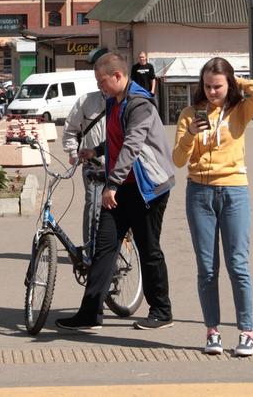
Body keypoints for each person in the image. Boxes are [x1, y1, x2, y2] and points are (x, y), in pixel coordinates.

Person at [57, 52, 176, 332]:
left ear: (118, 76)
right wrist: (95, 151)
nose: (100, 86)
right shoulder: (114, 102)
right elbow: (114, 139)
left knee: (149, 250)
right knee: (104, 248)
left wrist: (111, 185)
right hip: (122, 188)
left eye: (102, 81)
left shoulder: (140, 105)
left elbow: (132, 145)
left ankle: (161, 311)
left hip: (148, 189)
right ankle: (89, 314)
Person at [172, 57, 253, 358]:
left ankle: (247, 332)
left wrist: (236, 81)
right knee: (207, 268)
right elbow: (177, 160)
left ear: (227, 85)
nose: (212, 92)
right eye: (207, 86)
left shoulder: (240, 110)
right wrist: (190, 135)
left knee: (238, 265)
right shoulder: (190, 114)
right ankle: (212, 331)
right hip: (199, 193)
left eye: (218, 86)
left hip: (234, 191)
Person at [61, 46, 110, 254]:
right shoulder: (86, 101)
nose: (102, 85)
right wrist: (73, 153)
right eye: (99, 81)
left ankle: (117, 249)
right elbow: (70, 130)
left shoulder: (126, 102)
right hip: (93, 165)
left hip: (121, 165)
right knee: (93, 206)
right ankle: (90, 250)